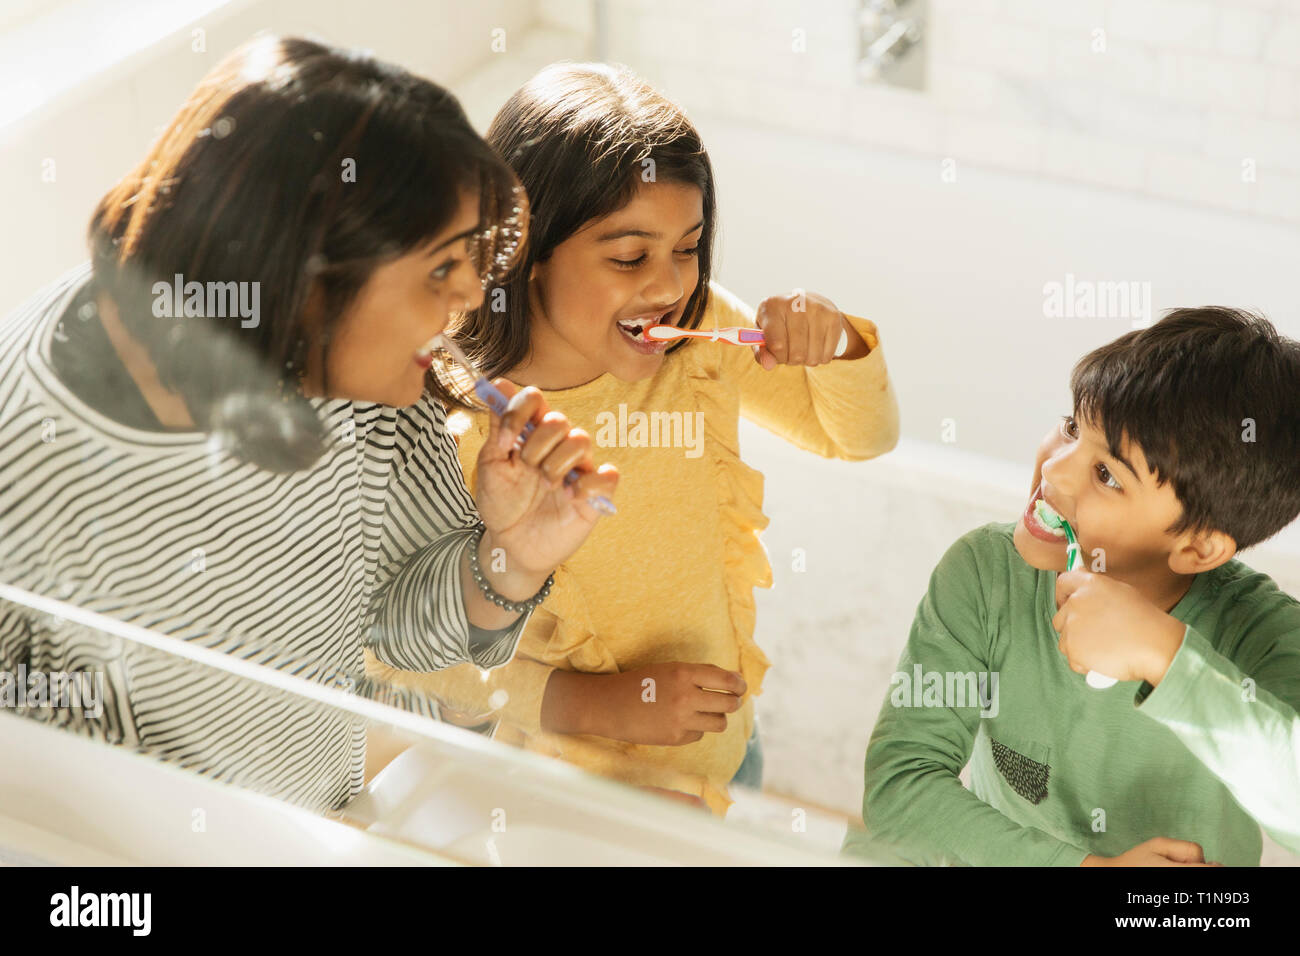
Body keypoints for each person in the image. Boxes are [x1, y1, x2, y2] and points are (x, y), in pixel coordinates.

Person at [0, 36, 617, 813]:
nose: (468, 297)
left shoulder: (360, 378)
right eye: (439, 268)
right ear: (305, 274)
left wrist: (510, 562)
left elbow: (401, 629)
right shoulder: (22, 452)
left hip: (327, 816)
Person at [367, 63, 898, 814]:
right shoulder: (462, 424)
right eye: (629, 256)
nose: (669, 285)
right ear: (527, 251)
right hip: (557, 778)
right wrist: (591, 705)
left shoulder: (701, 335)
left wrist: (839, 343)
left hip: (718, 748)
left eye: (688, 247)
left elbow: (859, 439)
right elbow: (400, 656)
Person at [846, 307, 1300, 865]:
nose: (1055, 472)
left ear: (1197, 548)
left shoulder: (1264, 633)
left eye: (1106, 474)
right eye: (1071, 427)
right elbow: (899, 789)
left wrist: (1167, 657)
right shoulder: (985, 574)